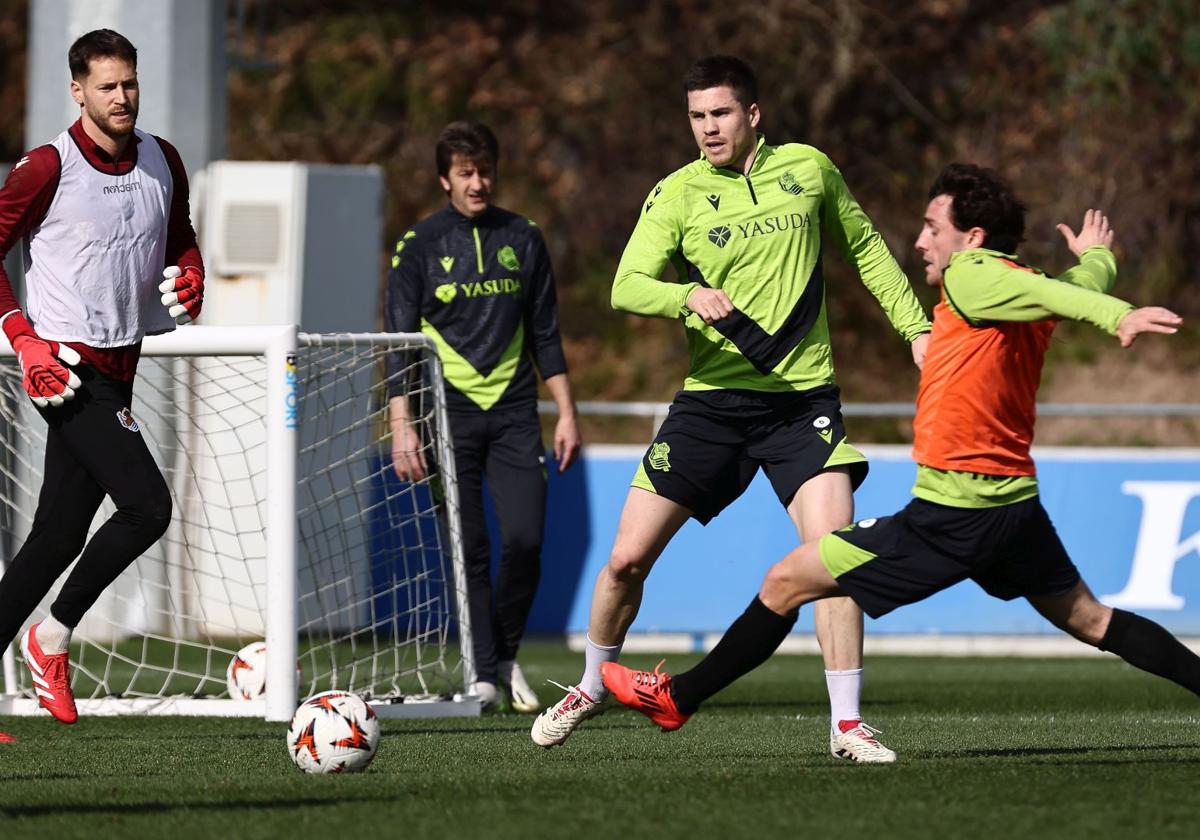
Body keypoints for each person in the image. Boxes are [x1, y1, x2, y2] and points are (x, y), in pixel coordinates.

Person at [600, 164, 1199, 740]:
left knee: (785, 579)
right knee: (1092, 620)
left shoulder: (973, 275)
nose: (920, 242)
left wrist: (1117, 316)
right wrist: (1099, 259)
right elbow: (1072, 289)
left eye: (933, 228)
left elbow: (1076, 299)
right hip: (1013, 507)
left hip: (952, 514)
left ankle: (677, 698)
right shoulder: (1023, 291)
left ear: (973, 238)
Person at [531, 55, 930, 762]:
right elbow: (627, 285)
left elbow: (866, 248)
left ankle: (846, 725)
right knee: (625, 560)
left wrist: (916, 328)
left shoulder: (809, 169)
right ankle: (592, 684)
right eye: (696, 116)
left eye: (719, 114)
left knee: (833, 557)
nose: (707, 129)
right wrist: (685, 295)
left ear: (752, 115)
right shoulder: (678, 194)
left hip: (801, 403)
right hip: (712, 407)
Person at [0, 29, 204, 736]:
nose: (122, 97)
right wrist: (24, 342)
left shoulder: (163, 158)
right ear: (78, 91)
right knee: (148, 506)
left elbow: (179, 234)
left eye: (130, 83)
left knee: (56, 538)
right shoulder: (44, 167)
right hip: (66, 371)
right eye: (107, 86)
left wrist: (193, 274)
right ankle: (52, 638)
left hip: (124, 362)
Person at [385, 121, 581, 712]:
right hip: (447, 415)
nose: (478, 182)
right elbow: (398, 342)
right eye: (466, 173)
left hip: (516, 411)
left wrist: (567, 411)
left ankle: (504, 656)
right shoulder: (418, 244)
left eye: (485, 170)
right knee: (467, 546)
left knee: (525, 540)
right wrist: (402, 425)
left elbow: (546, 331)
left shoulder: (523, 236)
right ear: (445, 178)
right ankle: (483, 674)